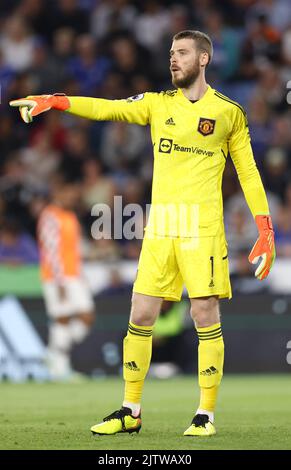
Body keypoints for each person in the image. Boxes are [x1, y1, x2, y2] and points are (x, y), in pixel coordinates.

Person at [10, 30, 275, 436]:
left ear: (203, 59)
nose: (174, 59)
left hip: (201, 229)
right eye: (171, 53)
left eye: (182, 53)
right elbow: (106, 109)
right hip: (161, 229)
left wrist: (264, 228)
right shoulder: (156, 104)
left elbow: (249, 172)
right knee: (141, 313)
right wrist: (57, 100)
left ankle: (205, 415)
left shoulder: (229, 112)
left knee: (204, 313)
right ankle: (130, 409)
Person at [37, 176, 95, 380]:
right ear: (58, 193)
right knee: (62, 318)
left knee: (87, 316)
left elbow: (74, 249)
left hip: (74, 274)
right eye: (68, 192)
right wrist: (59, 280)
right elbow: (51, 250)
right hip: (57, 277)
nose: (72, 196)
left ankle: (54, 352)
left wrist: (81, 274)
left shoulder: (69, 216)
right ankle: (59, 367)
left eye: (74, 193)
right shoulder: (49, 216)